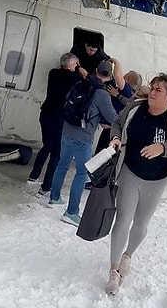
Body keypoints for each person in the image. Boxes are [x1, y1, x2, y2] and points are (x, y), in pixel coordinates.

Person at [105, 73, 167, 295]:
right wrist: (116, 138)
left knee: (141, 223)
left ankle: (128, 256)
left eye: (158, 90)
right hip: (130, 173)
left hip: (156, 180)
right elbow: (118, 122)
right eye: (152, 87)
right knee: (122, 221)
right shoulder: (136, 108)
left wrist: (163, 148)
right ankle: (114, 271)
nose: (152, 92)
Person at [49, 60, 118, 226]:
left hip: (67, 130)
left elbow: (67, 100)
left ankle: (54, 197)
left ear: (95, 71)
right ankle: (72, 212)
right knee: (82, 173)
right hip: (83, 137)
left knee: (62, 165)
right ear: (108, 77)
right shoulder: (102, 94)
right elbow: (113, 118)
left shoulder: (80, 84)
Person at [27, 53, 82, 195]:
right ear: (71, 65)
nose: (77, 66)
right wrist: (81, 71)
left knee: (47, 146)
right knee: (57, 154)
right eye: (75, 64)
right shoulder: (75, 78)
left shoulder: (53, 73)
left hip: (46, 114)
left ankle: (34, 174)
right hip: (59, 119)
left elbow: (62, 72)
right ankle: (46, 186)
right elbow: (82, 82)